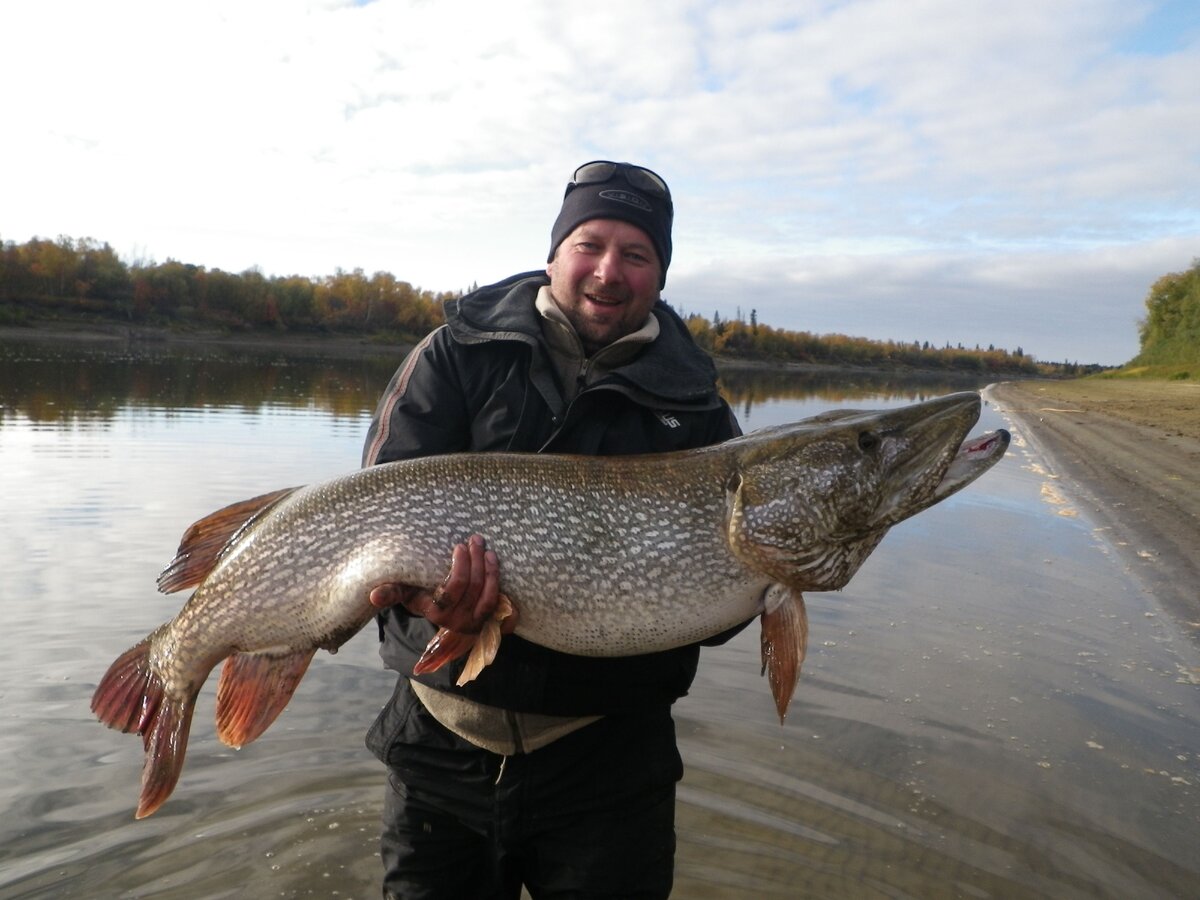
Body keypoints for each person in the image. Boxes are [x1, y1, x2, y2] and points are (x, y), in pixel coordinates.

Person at [361, 160, 745, 899]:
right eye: (590, 244)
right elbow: (382, 506)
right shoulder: (456, 353)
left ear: (659, 276)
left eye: (637, 255)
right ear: (554, 253)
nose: (609, 271)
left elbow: (715, 606)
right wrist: (421, 600)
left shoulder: (699, 411)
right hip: (439, 748)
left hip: (609, 766)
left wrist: (783, 561)